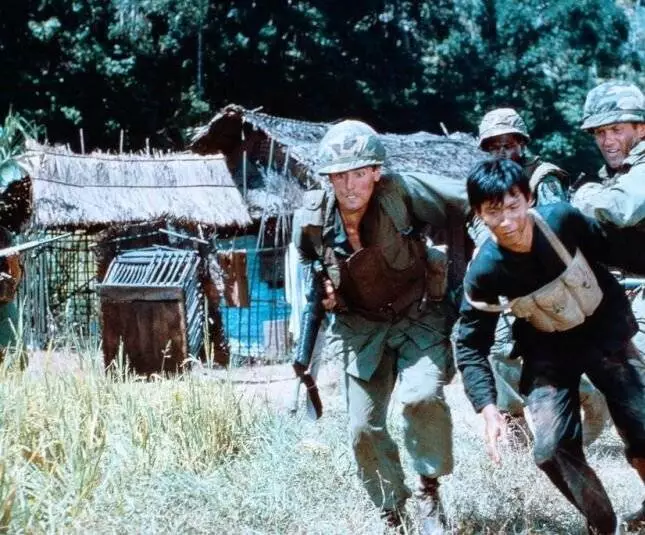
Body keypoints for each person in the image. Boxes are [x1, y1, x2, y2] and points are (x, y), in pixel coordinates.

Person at [292, 119, 468, 533]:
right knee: (362, 429)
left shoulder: (400, 192)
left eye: (359, 173)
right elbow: (303, 257)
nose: (349, 185)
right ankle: (391, 510)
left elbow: (471, 199)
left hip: (418, 316)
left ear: (376, 172)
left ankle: (428, 491)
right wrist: (320, 282)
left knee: (422, 397)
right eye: (339, 176)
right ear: (328, 178)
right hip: (360, 328)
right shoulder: (313, 219)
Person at [455, 157, 645, 534]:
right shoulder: (484, 272)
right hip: (548, 352)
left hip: (605, 334)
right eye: (494, 212)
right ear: (479, 215)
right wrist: (488, 408)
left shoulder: (562, 220)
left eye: (513, 206)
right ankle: (601, 524)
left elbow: (618, 249)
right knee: (550, 450)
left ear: (528, 198)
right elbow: (471, 344)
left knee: (643, 428)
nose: (508, 222)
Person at [475, 108, 608, 446]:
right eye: (494, 146)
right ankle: (515, 428)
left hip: (549, 286)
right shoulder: (485, 183)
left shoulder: (542, 178)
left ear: (522, 144)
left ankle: (591, 397)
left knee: (559, 355)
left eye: (508, 144)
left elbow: (555, 231)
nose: (502, 152)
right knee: (499, 352)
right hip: (506, 285)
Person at [572, 80, 645, 362]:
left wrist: (583, 195)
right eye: (600, 132)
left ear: (641, 128)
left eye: (616, 129)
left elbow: (619, 207)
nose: (607, 140)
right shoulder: (617, 173)